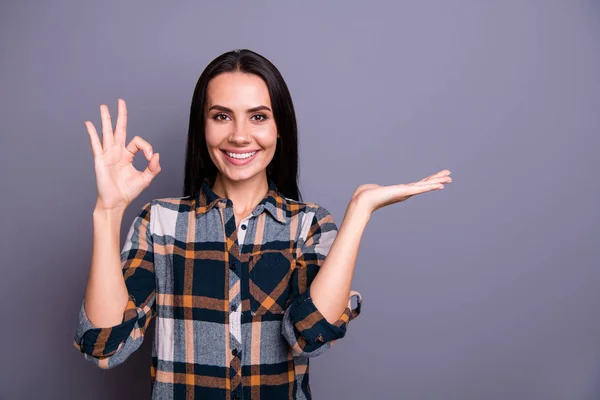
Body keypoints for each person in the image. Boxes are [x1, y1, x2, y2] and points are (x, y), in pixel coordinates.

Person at [72, 48, 452, 399]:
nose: (239, 135)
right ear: (202, 127)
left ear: (279, 127)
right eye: (222, 116)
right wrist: (107, 211)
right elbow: (104, 346)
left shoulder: (309, 225)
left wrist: (360, 210)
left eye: (258, 116)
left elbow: (310, 336)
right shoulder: (160, 221)